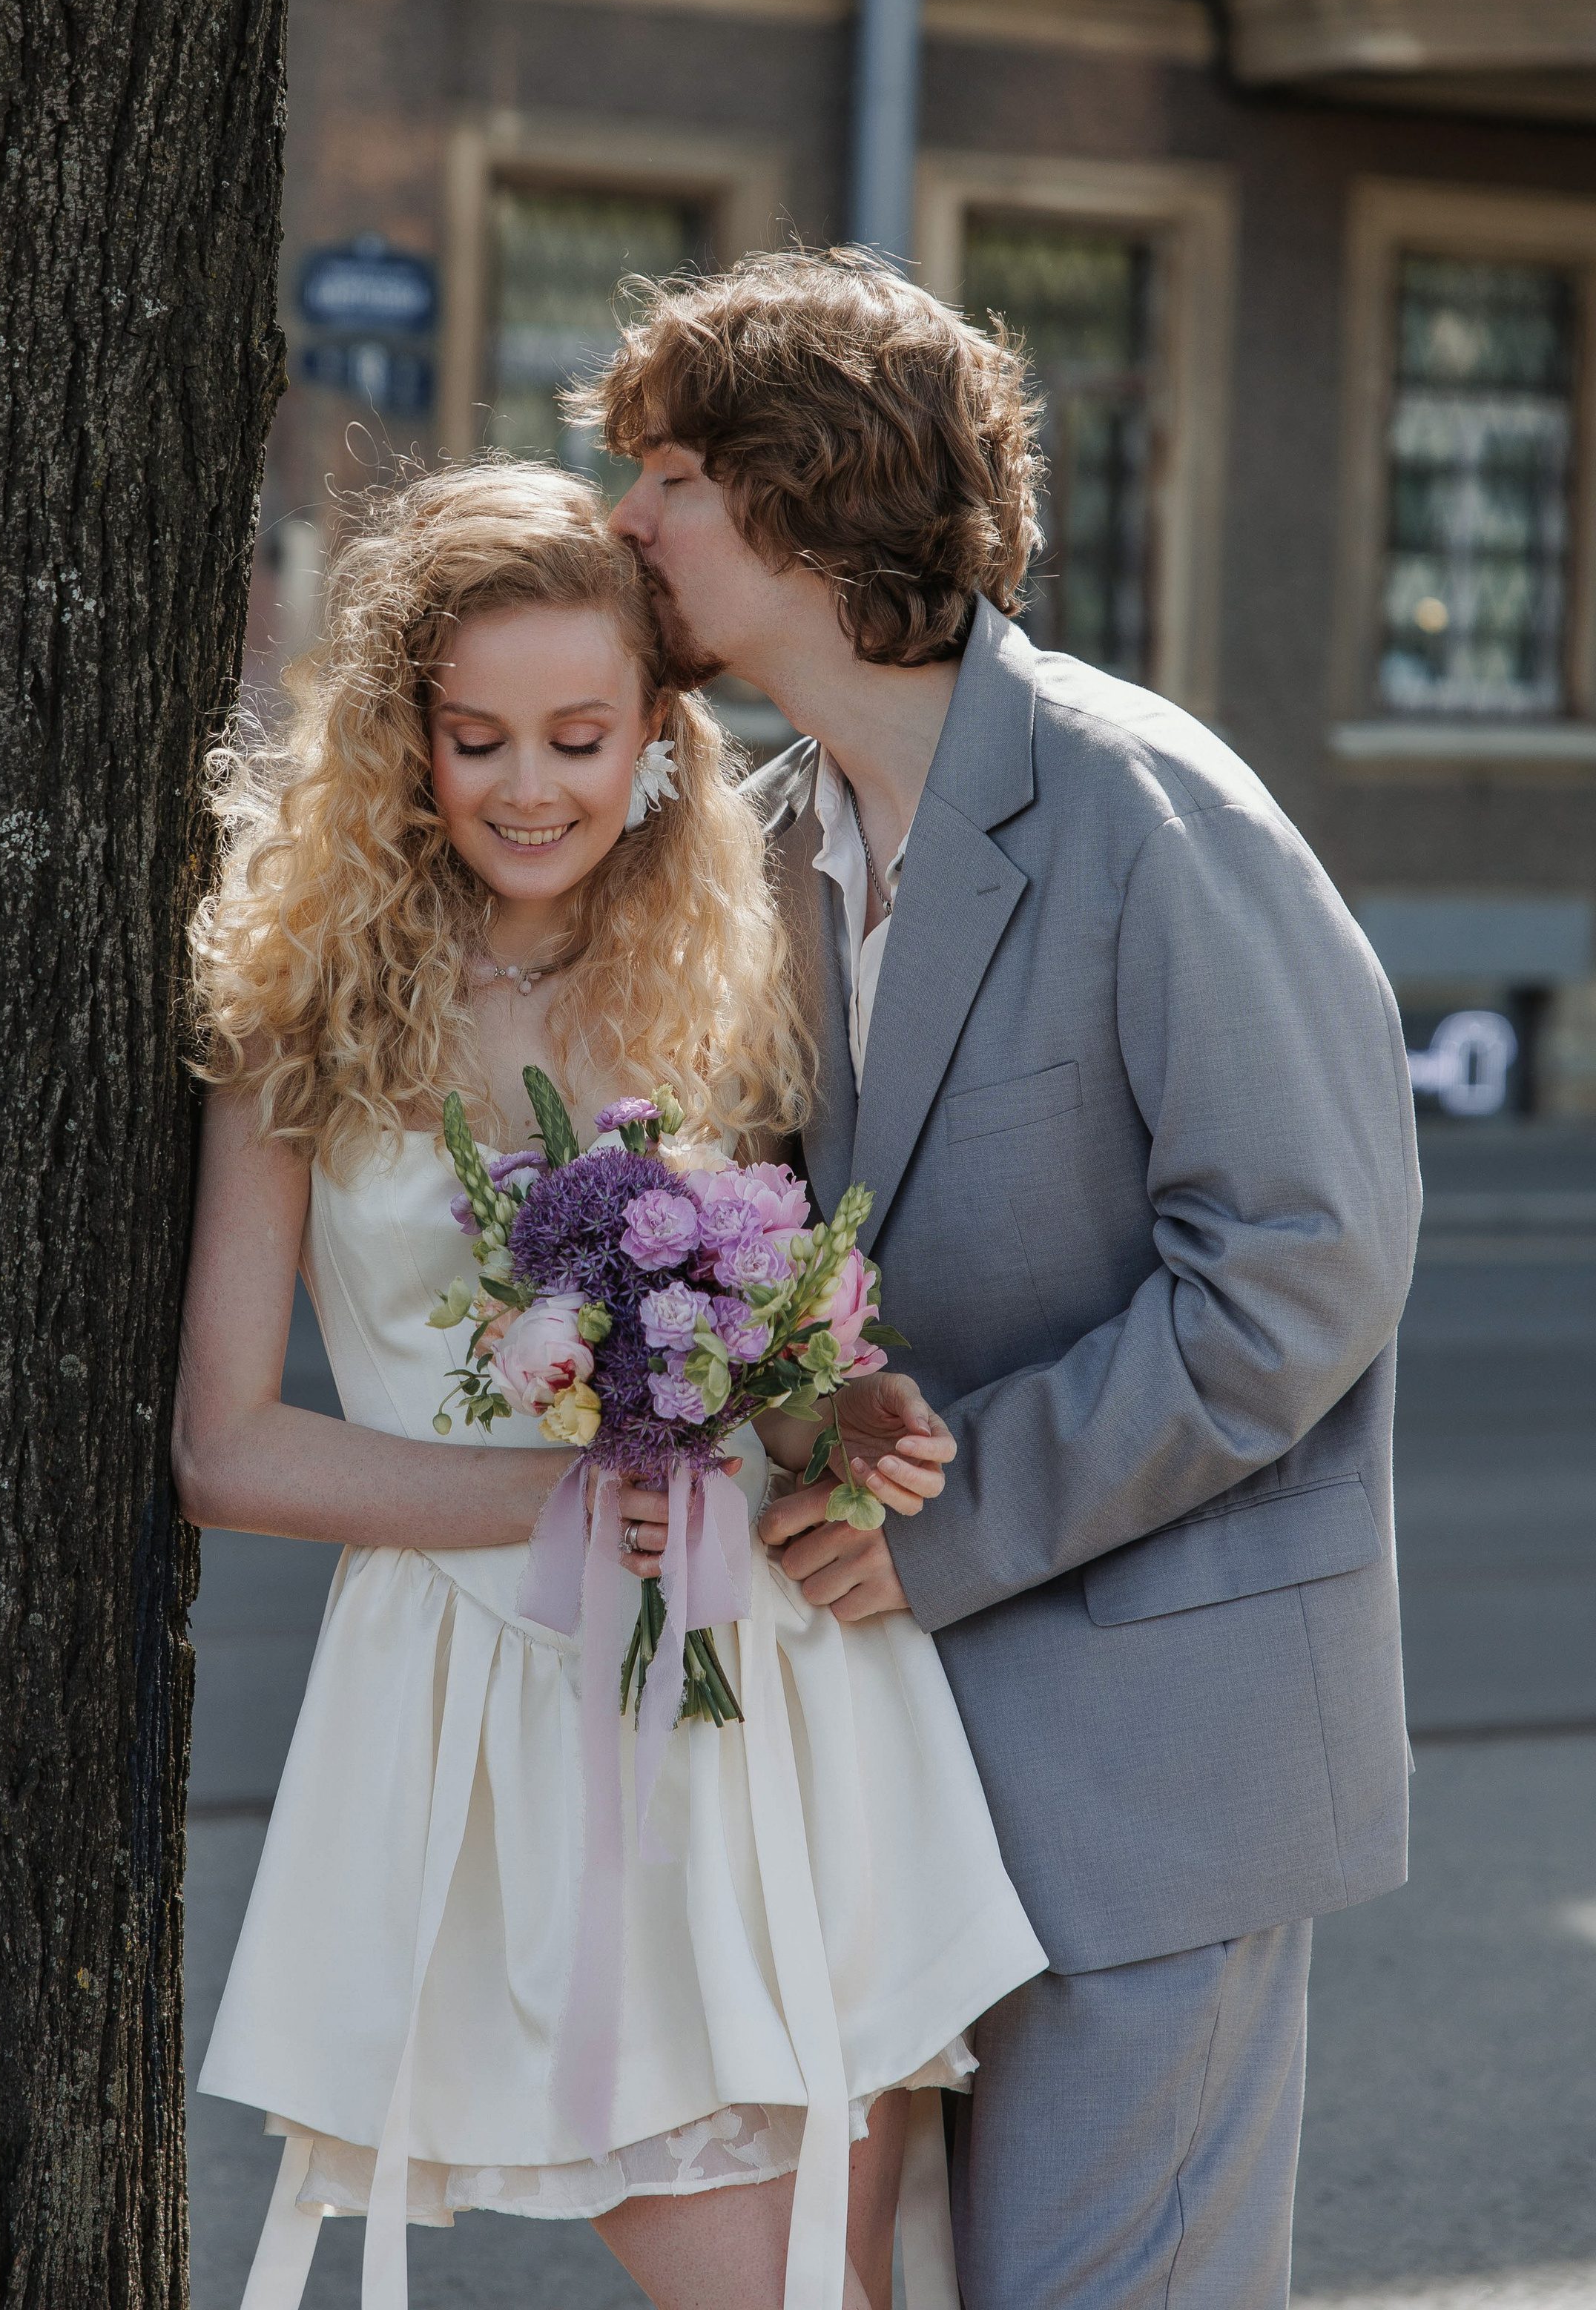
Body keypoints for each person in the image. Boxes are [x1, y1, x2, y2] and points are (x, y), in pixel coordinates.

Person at [596, 246, 1421, 2310]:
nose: (625, 520)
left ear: (798, 496)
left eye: (667, 471)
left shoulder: (1150, 807)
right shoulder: (784, 843)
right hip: (899, 1770)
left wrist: (936, 1525)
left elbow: (1303, 1277)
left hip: (1162, 1758)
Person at [176, 463, 1046, 2310]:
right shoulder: (299, 1012)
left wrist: (838, 1420)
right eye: (476, 737)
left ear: (657, 730)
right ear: (403, 739)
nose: (527, 786)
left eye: (578, 734)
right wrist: (556, 1499)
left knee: (858, 2282)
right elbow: (223, 1448)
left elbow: (754, 1365)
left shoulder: (720, 969)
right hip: (500, 1702)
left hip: (789, 1702)